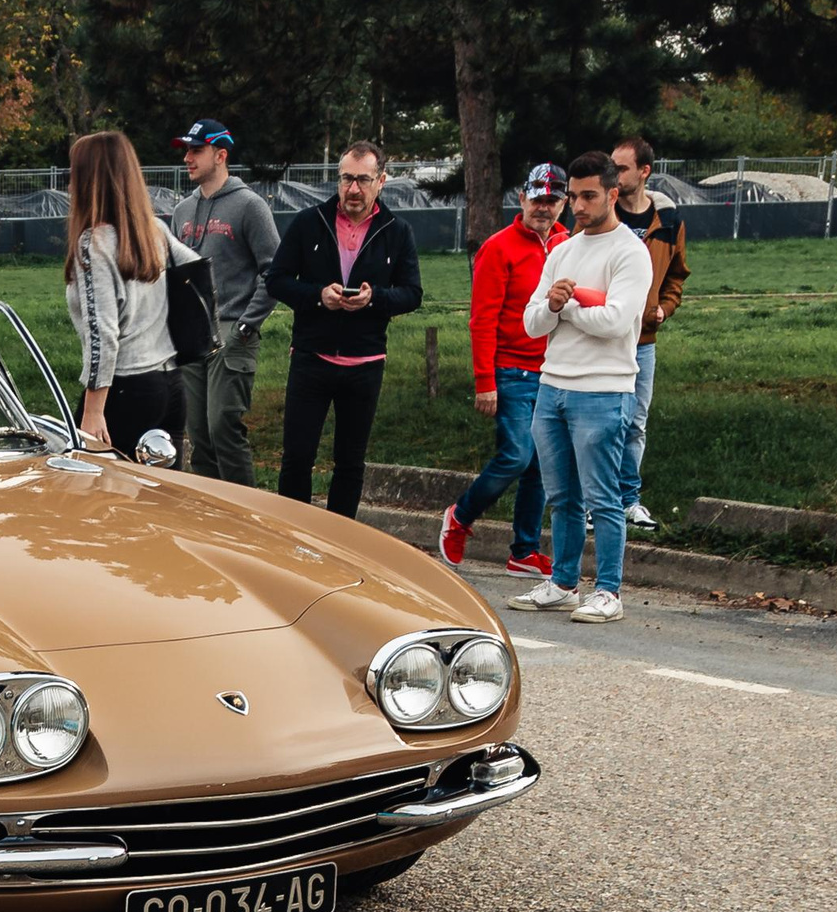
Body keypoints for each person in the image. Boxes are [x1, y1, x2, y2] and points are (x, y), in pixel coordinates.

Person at [512, 153, 653, 622]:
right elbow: (532, 323)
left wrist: (565, 308)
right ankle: (564, 583)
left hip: (603, 390)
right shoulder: (562, 251)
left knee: (602, 497)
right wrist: (555, 305)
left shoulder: (630, 251)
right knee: (561, 496)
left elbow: (615, 322)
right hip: (552, 386)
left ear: (614, 194)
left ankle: (609, 591)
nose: (577, 205)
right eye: (573, 195)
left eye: (589, 195)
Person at [264, 140, 422, 513]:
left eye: (363, 180)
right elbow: (277, 279)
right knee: (297, 457)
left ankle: (342, 544)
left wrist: (375, 298)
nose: (353, 189)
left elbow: (413, 293)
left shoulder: (397, 231)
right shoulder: (308, 222)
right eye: (346, 179)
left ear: (381, 181)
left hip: (365, 363)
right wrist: (318, 294)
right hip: (311, 358)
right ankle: (293, 536)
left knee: (350, 463)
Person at [439, 163, 565, 575]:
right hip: (511, 369)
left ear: (563, 203)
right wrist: (485, 382)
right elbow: (482, 318)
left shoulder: (567, 245)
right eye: (536, 199)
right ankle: (460, 515)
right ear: (522, 198)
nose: (543, 208)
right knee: (515, 454)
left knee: (542, 463)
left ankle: (524, 550)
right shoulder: (499, 247)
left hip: (553, 371)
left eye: (552, 200)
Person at [64, 128, 196, 462]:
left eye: (74, 172)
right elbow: (199, 270)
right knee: (162, 502)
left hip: (126, 389)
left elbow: (102, 333)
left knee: (101, 500)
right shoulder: (155, 230)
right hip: (171, 386)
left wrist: (93, 410)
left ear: (90, 180)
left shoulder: (94, 244)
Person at [167, 118, 283, 486]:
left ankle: (246, 520)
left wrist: (248, 325)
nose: (188, 158)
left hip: (233, 330)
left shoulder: (249, 205)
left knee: (223, 431)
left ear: (220, 154)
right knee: (199, 437)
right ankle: (209, 518)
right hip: (191, 337)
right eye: (186, 150)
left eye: (196, 150)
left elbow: (275, 271)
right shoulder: (182, 211)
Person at [609, 133, 688, 530]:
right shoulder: (604, 215)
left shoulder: (668, 219)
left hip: (643, 342)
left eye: (622, 168)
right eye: (613, 166)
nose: (615, 175)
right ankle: (598, 502)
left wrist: (665, 309)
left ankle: (629, 499)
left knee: (636, 422)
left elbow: (677, 275)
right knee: (606, 423)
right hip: (605, 339)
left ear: (644, 171)